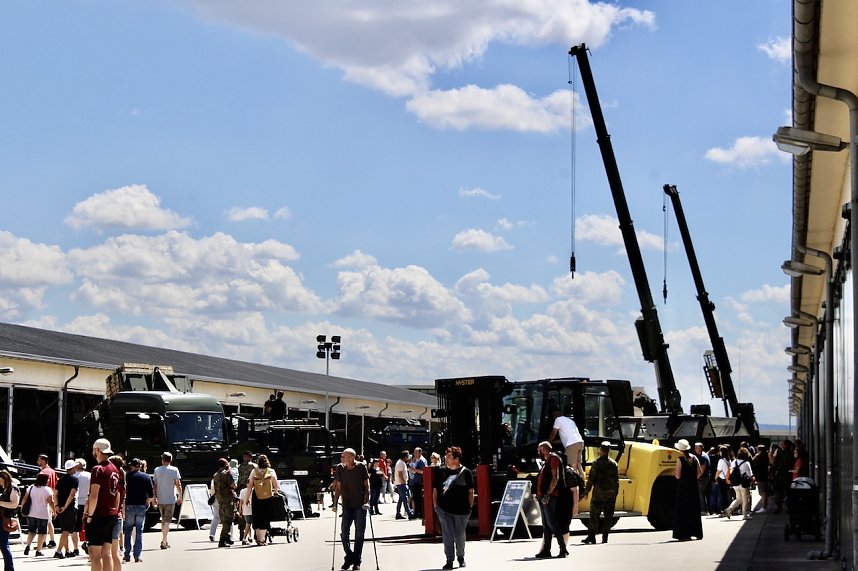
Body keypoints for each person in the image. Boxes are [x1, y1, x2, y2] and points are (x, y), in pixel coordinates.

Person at [433, 446, 474, 570]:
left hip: (462, 511)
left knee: (460, 535)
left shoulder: (466, 472)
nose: (447, 458)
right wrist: (435, 505)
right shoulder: (441, 471)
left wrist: (469, 508)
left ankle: (460, 557)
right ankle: (449, 560)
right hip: (444, 510)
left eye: (449, 456)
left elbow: (471, 491)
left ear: (456, 458)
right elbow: (435, 489)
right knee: (447, 536)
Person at [85, 438, 121, 571]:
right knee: (106, 553)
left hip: (99, 515)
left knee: (95, 555)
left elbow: (94, 495)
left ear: (97, 450)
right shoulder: (114, 469)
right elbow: (117, 493)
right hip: (112, 514)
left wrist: (90, 515)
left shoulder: (97, 469)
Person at [332, 448, 370, 571]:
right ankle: (350, 556)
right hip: (347, 504)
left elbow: (367, 486)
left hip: (360, 505)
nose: (341, 458)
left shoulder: (361, 467)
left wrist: (366, 502)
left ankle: (356, 561)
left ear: (351, 458)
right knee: (344, 533)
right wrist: (335, 504)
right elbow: (338, 487)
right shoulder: (340, 468)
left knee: (359, 534)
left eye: (343, 456)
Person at [583, 441, 619, 545]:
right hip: (611, 494)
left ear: (600, 450)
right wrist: (615, 493)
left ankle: (592, 537)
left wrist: (586, 492)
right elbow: (616, 481)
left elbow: (591, 480)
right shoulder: (614, 464)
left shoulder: (596, 463)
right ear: (609, 451)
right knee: (608, 516)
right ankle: (605, 538)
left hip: (598, 494)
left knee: (594, 515)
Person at [534, 441, 565, 558]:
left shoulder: (553, 459)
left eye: (539, 450)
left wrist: (547, 494)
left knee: (552, 523)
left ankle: (563, 548)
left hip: (550, 496)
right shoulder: (546, 461)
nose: (538, 452)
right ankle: (546, 550)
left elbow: (555, 477)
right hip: (543, 496)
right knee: (546, 525)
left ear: (543, 448)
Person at [246, 453, 280, 546]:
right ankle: (262, 539)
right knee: (265, 518)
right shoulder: (271, 471)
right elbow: (276, 486)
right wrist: (275, 493)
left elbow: (249, 487)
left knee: (257, 517)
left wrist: (247, 498)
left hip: (256, 497)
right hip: (268, 497)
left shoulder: (254, 472)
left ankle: (258, 539)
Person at [672, 439, 703, 541]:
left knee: (683, 510)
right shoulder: (694, 458)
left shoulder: (680, 459)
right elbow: (699, 472)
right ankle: (697, 532)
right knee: (694, 509)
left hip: (683, 487)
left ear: (680, 449)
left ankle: (685, 534)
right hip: (693, 486)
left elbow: (677, 475)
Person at [123, 458, 152, 563]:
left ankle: (127, 554)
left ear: (131, 466)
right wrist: (147, 503)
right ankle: (137, 555)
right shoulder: (146, 477)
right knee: (139, 532)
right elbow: (151, 494)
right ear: (140, 466)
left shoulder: (127, 476)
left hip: (129, 506)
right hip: (141, 506)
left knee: (127, 531)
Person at [152, 451, 182, 550]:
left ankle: (165, 540)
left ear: (162, 460)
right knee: (167, 521)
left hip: (161, 498)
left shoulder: (157, 470)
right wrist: (180, 496)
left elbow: (155, 485)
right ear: (171, 460)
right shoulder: (174, 470)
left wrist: (155, 497)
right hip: (170, 498)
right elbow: (178, 484)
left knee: (164, 520)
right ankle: (164, 540)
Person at [22, 472, 55, 557]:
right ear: (45, 480)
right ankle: (38, 550)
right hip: (43, 514)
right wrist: (54, 511)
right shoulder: (47, 490)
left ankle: (28, 545)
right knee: (42, 533)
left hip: (31, 513)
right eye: (47, 479)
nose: (48, 481)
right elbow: (51, 502)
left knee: (31, 531)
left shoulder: (31, 488)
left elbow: (24, 499)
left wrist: (22, 508)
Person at [52, 460, 79, 559]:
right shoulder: (75, 480)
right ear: (72, 469)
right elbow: (72, 495)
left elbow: (55, 494)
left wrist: (57, 506)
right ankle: (58, 551)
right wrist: (65, 506)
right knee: (66, 531)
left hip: (60, 508)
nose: (76, 469)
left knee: (64, 530)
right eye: (75, 467)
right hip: (69, 508)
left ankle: (67, 551)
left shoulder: (60, 480)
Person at [547, 406, 584, 476]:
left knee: (572, 467)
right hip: (580, 442)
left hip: (571, 445)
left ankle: (575, 485)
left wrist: (548, 442)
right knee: (579, 465)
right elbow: (565, 439)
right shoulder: (570, 420)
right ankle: (582, 484)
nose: (553, 417)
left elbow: (553, 433)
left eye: (553, 415)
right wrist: (553, 442)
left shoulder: (558, 419)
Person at [722, 447, 754, 520]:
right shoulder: (746, 463)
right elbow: (750, 474)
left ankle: (729, 510)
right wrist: (753, 483)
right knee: (745, 499)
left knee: (738, 498)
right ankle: (745, 515)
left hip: (735, 483)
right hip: (744, 483)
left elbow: (730, 471)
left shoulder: (734, 462)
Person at [107, 456, 125, 571]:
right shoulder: (122, 480)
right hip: (118, 517)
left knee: (110, 553)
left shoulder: (115, 481)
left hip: (112, 517)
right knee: (114, 552)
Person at [213, 458, 237, 547]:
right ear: (226, 465)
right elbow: (233, 485)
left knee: (223, 520)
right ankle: (222, 540)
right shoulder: (226, 474)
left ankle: (227, 537)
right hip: (227, 500)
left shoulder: (216, 475)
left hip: (220, 500)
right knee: (228, 520)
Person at [36, 454, 57, 549]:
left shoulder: (43, 473)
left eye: (39, 460)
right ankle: (48, 541)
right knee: (48, 521)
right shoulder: (53, 471)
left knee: (46, 521)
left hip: (44, 499)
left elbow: (41, 486)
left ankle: (49, 541)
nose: (37, 462)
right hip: (51, 497)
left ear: (43, 461)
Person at [0, 469, 20, 571]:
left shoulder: (13, 489)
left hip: (6, 519)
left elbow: (14, 504)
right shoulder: (5, 489)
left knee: (3, 544)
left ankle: (9, 568)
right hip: (2, 517)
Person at [71, 458, 90, 558]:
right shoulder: (90, 475)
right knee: (88, 526)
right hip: (88, 502)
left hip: (76, 503)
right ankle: (87, 543)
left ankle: (75, 548)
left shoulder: (73, 476)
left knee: (75, 528)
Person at [394, 450, 415, 520]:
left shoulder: (402, 463)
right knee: (405, 499)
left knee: (401, 499)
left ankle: (398, 513)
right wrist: (403, 483)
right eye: (408, 455)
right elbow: (400, 475)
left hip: (401, 483)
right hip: (401, 484)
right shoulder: (400, 463)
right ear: (405, 456)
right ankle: (409, 513)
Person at [751, 444, 771, 513]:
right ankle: (764, 505)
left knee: (762, 492)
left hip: (760, 476)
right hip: (764, 475)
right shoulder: (766, 456)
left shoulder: (759, 456)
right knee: (764, 491)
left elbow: (753, 462)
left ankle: (763, 506)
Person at [408, 447, 427, 518]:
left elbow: (423, 471)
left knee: (418, 499)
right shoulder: (416, 460)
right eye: (414, 452)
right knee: (415, 498)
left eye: (416, 452)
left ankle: (418, 513)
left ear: (420, 452)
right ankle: (417, 512)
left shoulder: (422, 461)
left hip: (419, 483)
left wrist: (413, 469)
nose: (414, 454)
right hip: (414, 482)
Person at [693, 442, 711, 515]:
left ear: (700, 448)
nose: (695, 449)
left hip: (703, 478)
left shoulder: (702, 457)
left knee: (701, 494)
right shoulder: (705, 455)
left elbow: (702, 470)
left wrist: (697, 477)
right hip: (706, 477)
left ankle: (704, 510)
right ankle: (707, 510)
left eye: (696, 448)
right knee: (704, 494)